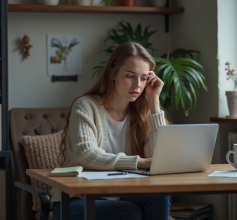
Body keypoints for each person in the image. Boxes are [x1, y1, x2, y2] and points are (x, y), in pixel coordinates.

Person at [51, 42, 173, 220]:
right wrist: (138, 162)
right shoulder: (86, 106)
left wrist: (154, 101)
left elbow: (159, 159)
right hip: (76, 199)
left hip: (122, 194)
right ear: (113, 73)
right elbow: (84, 154)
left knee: (160, 196)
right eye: (130, 76)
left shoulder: (142, 112)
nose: (137, 85)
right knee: (128, 212)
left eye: (144, 78)